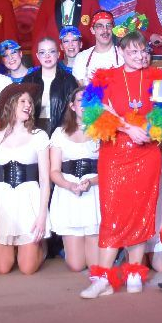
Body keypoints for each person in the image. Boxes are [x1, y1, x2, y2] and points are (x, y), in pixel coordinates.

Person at [83, 31, 162, 297]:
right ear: (121, 52)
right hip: (114, 154)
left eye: (143, 51)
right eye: (133, 51)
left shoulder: (158, 77)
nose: (139, 56)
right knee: (112, 214)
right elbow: (91, 112)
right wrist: (126, 127)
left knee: (141, 211)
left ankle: (134, 272)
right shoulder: (106, 77)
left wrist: (150, 129)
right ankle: (103, 277)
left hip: (146, 154)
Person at [0, 83, 51, 276]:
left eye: (30, 102)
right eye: (23, 101)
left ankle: (38, 248)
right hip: (2, 202)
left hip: (29, 200)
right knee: (3, 268)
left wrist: (42, 217)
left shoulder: (39, 136)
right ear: (10, 104)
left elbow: (45, 179)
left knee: (27, 268)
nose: (28, 105)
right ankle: (16, 247)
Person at [48, 91, 100, 276]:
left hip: (94, 193)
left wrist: (91, 181)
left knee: (95, 266)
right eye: (80, 100)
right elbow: (54, 171)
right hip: (69, 194)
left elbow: (109, 170)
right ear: (72, 106)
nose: (85, 104)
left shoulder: (102, 131)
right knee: (76, 265)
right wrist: (69, 185)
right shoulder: (60, 133)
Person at [23, 37, 76, 135]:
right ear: (37, 56)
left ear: (58, 54)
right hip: (33, 133)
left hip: (62, 133)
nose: (47, 56)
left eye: (51, 51)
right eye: (42, 52)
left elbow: (74, 112)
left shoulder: (69, 80)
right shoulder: (28, 80)